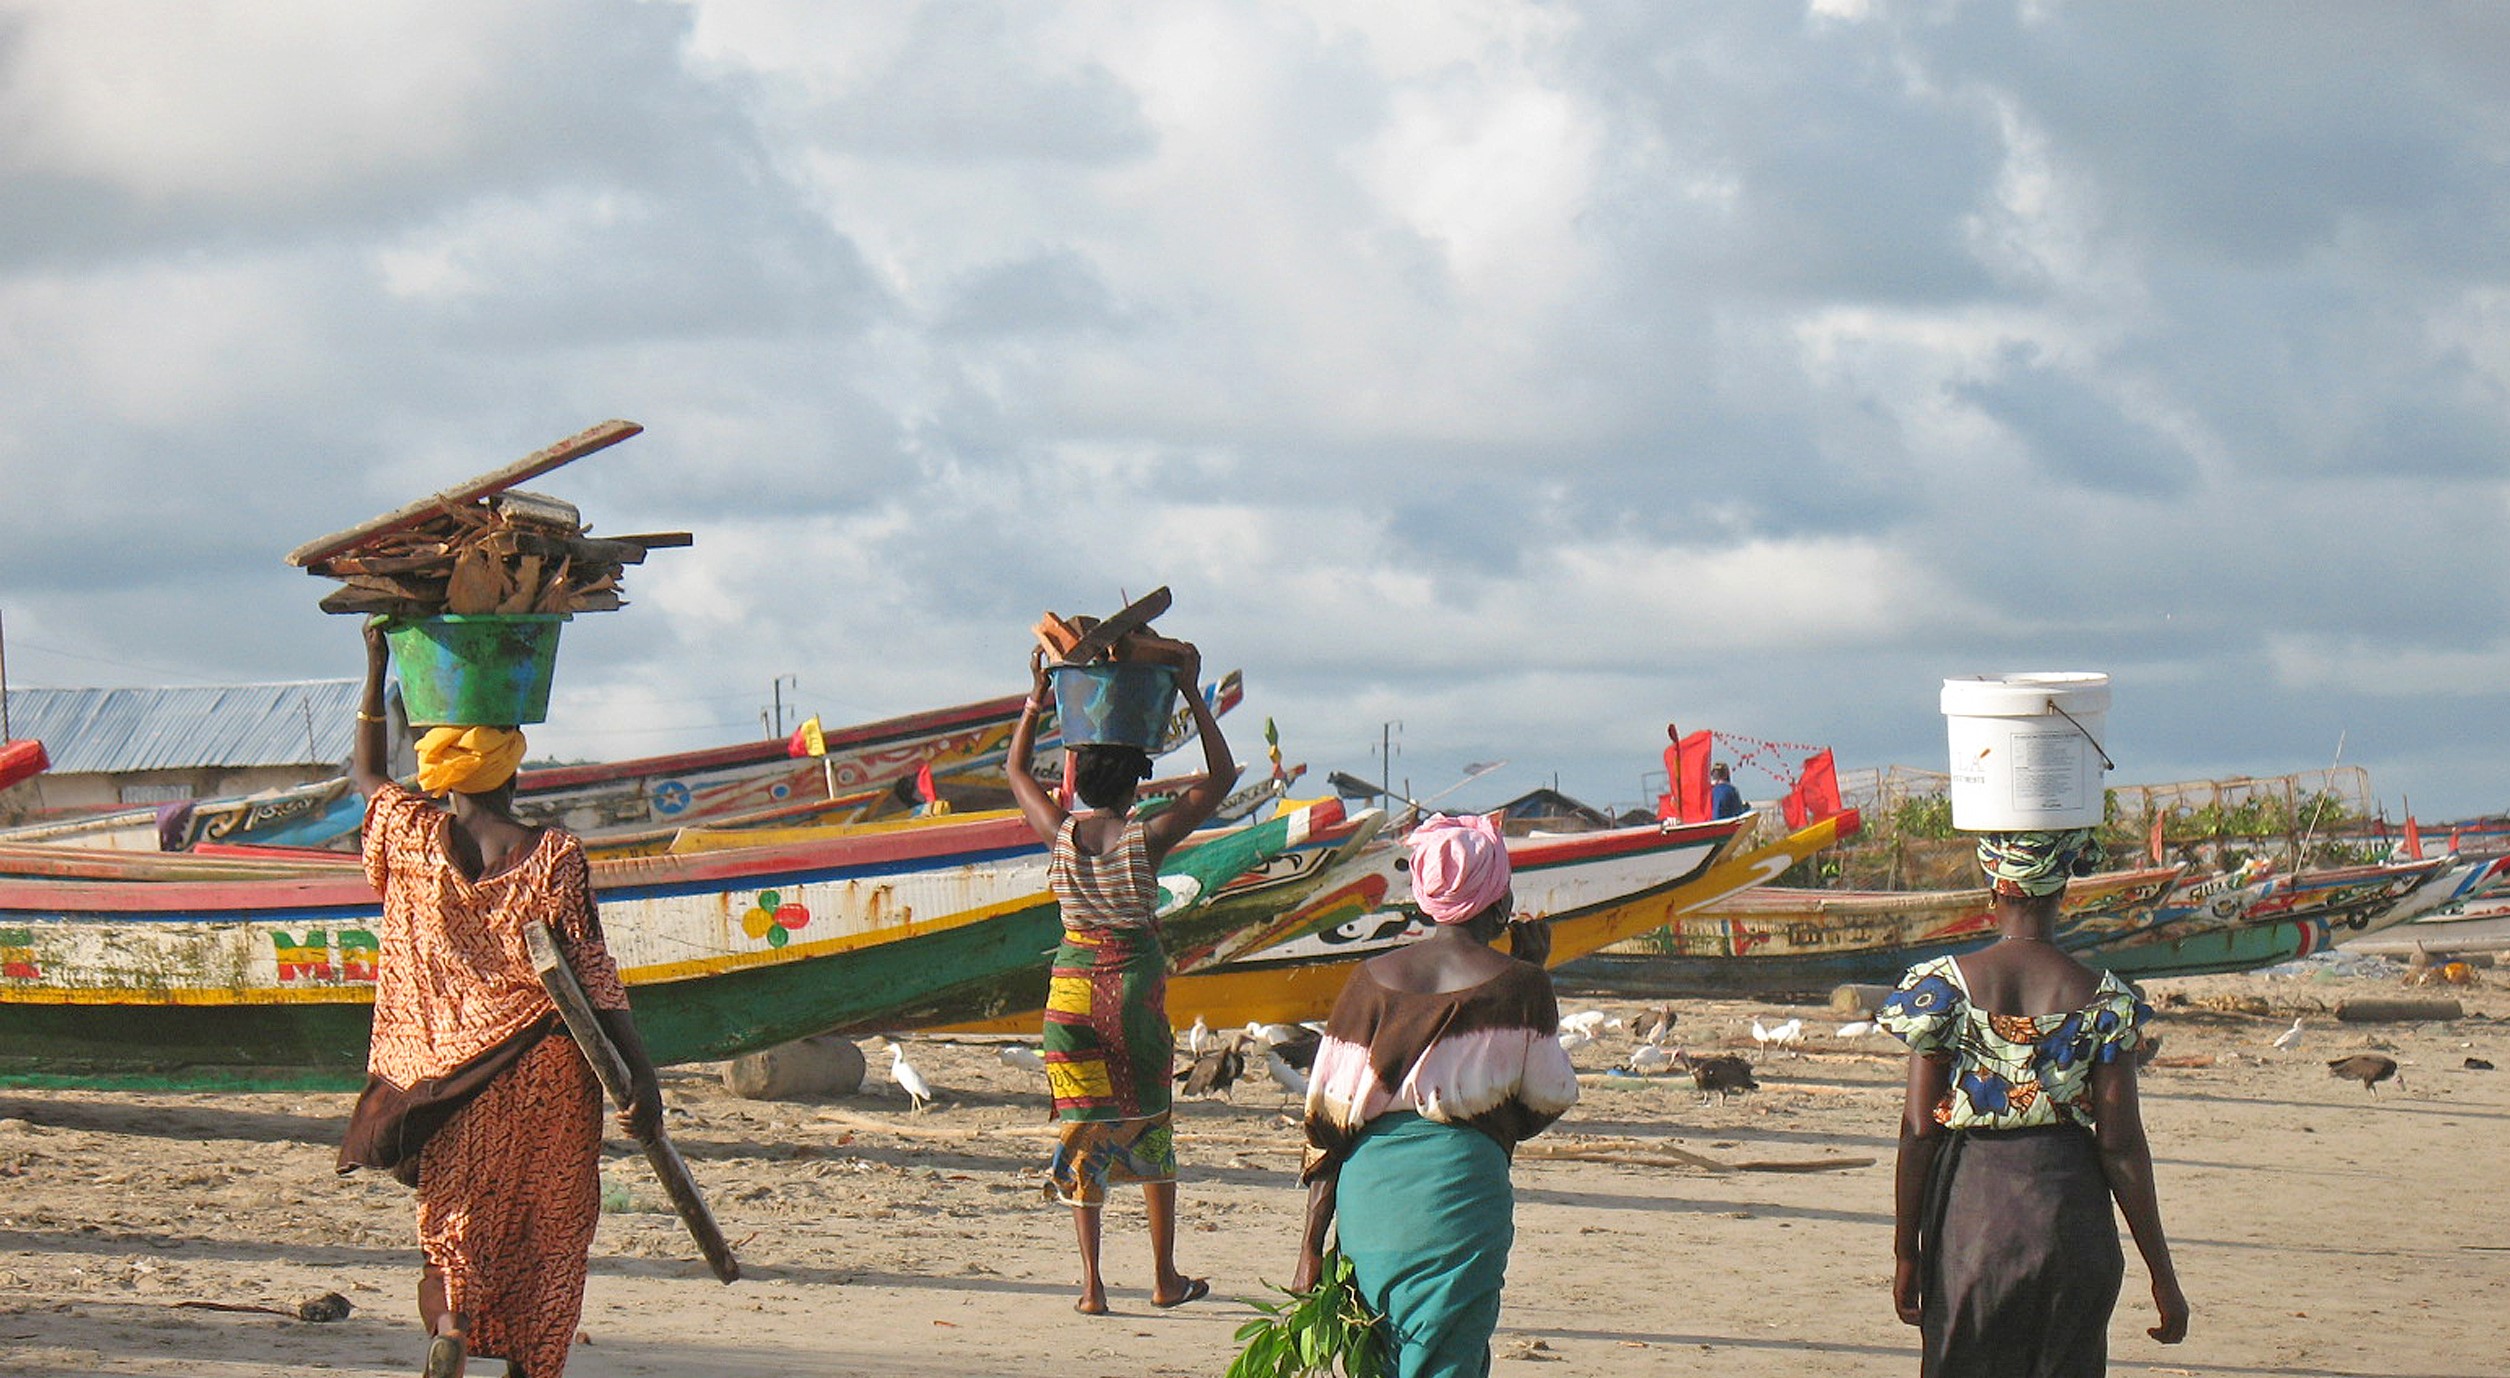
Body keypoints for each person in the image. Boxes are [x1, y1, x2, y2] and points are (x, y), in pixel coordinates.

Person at [337, 619, 662, 1378]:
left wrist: (377, 663)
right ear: (512, 771)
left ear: (443, 775)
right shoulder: (552, 855)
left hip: (451, 1075)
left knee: (457, 1219)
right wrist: (641, 1074)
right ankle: (527, 1363)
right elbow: (592, 971)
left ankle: (450, 1327)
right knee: (547, 1225)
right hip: (546, 1069)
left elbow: (365, 775)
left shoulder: (411, 838)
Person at [1878, 828, 2190, 1377]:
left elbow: (1919, 1131)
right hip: (2071, 1219)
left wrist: (1908, 1252)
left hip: (1973, 1218)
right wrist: (2161, 1274)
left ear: (1993, 892)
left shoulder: (1941, 989)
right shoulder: (2106, 1000)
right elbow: (2121, 1147)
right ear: (2060, 895)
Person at [1294, 813, 1580, 1377]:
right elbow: (1544, 1100)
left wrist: (1309, 1249)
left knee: (1378, 1353)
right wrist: (1532, 970)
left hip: (1371, 1202)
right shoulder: (1521, 985)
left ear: (1425, 902)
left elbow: (1327, 1125)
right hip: (1460, 1200)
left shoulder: (1369, 979)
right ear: (1500, 905)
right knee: (1447, 1357)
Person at [1005, 642, 1238, 1315]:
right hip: (1131, 997)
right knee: (1151, 1125)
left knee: (1083, 1132)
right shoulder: (1145, 838)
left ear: (1077, 785)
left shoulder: (1057, 832)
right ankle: (1164, 1278)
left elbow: (1015, 768)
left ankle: (1091, 1287)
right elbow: (1219, 776)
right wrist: (1192, 690)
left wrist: (1038, 692)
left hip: (1070, 997)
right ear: (1134, 786)